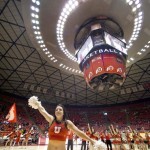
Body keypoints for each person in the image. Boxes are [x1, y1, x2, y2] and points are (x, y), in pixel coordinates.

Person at [28, 96, 95, 150]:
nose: (58, 110)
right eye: (56, 109)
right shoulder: (51, 120)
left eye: (60, 109)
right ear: (55, 112)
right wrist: (37, 103)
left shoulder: (67, 123)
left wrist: (90, 140)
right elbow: (43, 111)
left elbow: (78, 132)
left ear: (63, 113)